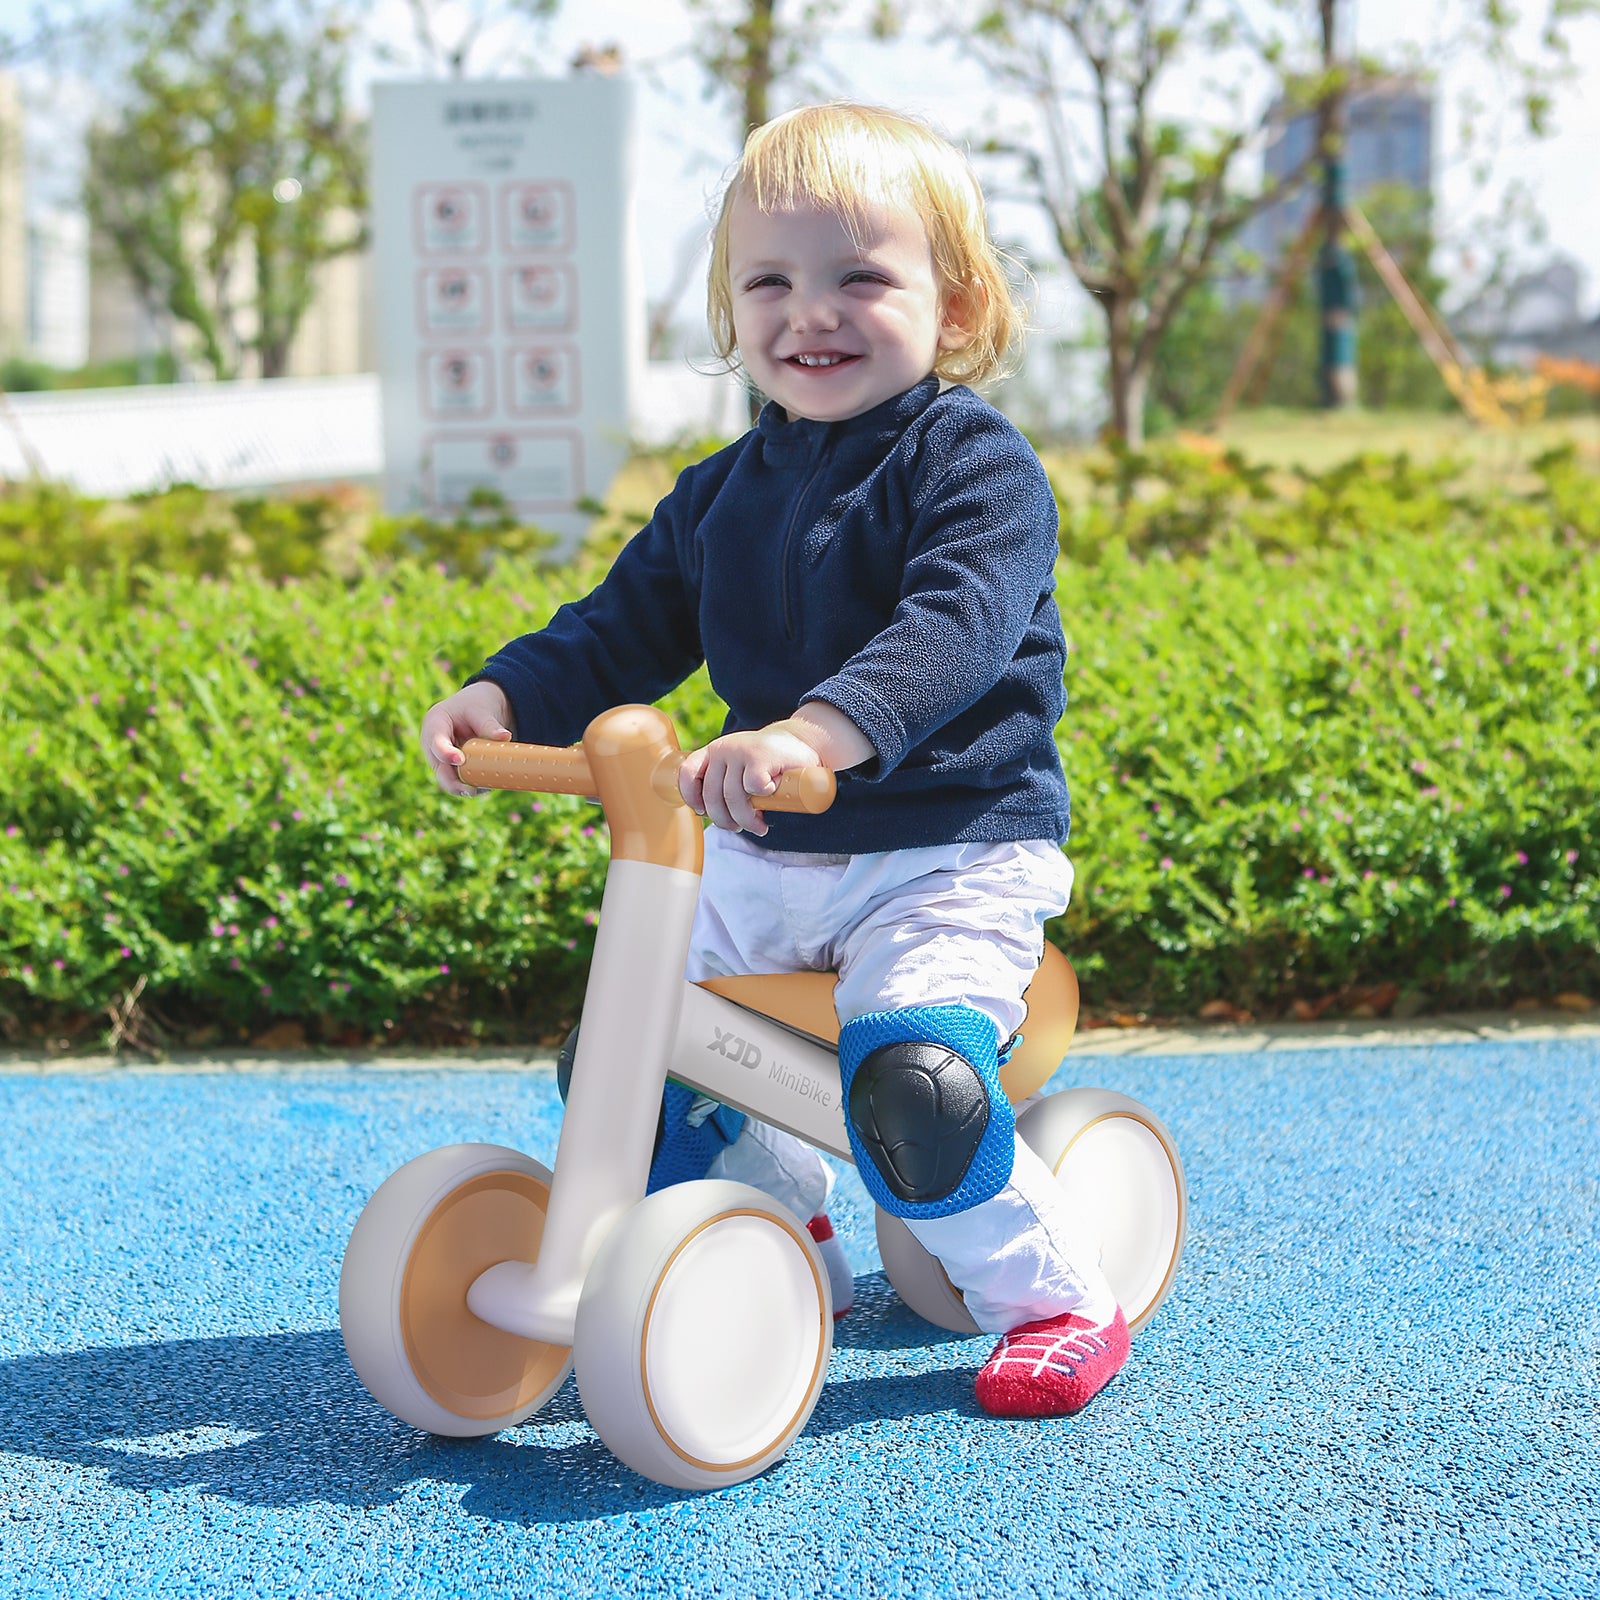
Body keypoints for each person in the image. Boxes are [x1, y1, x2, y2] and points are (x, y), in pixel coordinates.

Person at [421, 102, 1127, 1418]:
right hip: (768, 852)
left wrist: (818, 733)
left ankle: (1058, 1297)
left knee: (910, 1081)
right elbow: (621, 628)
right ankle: (771, 1230)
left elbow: (955, 624)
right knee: (629, 1061)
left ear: (956, 306)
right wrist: (505, 695)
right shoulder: (719, 494)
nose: (815, 312)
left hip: (947, 850)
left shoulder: (971, 462)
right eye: (772, 281)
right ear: (730, 314)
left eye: (863, 276)